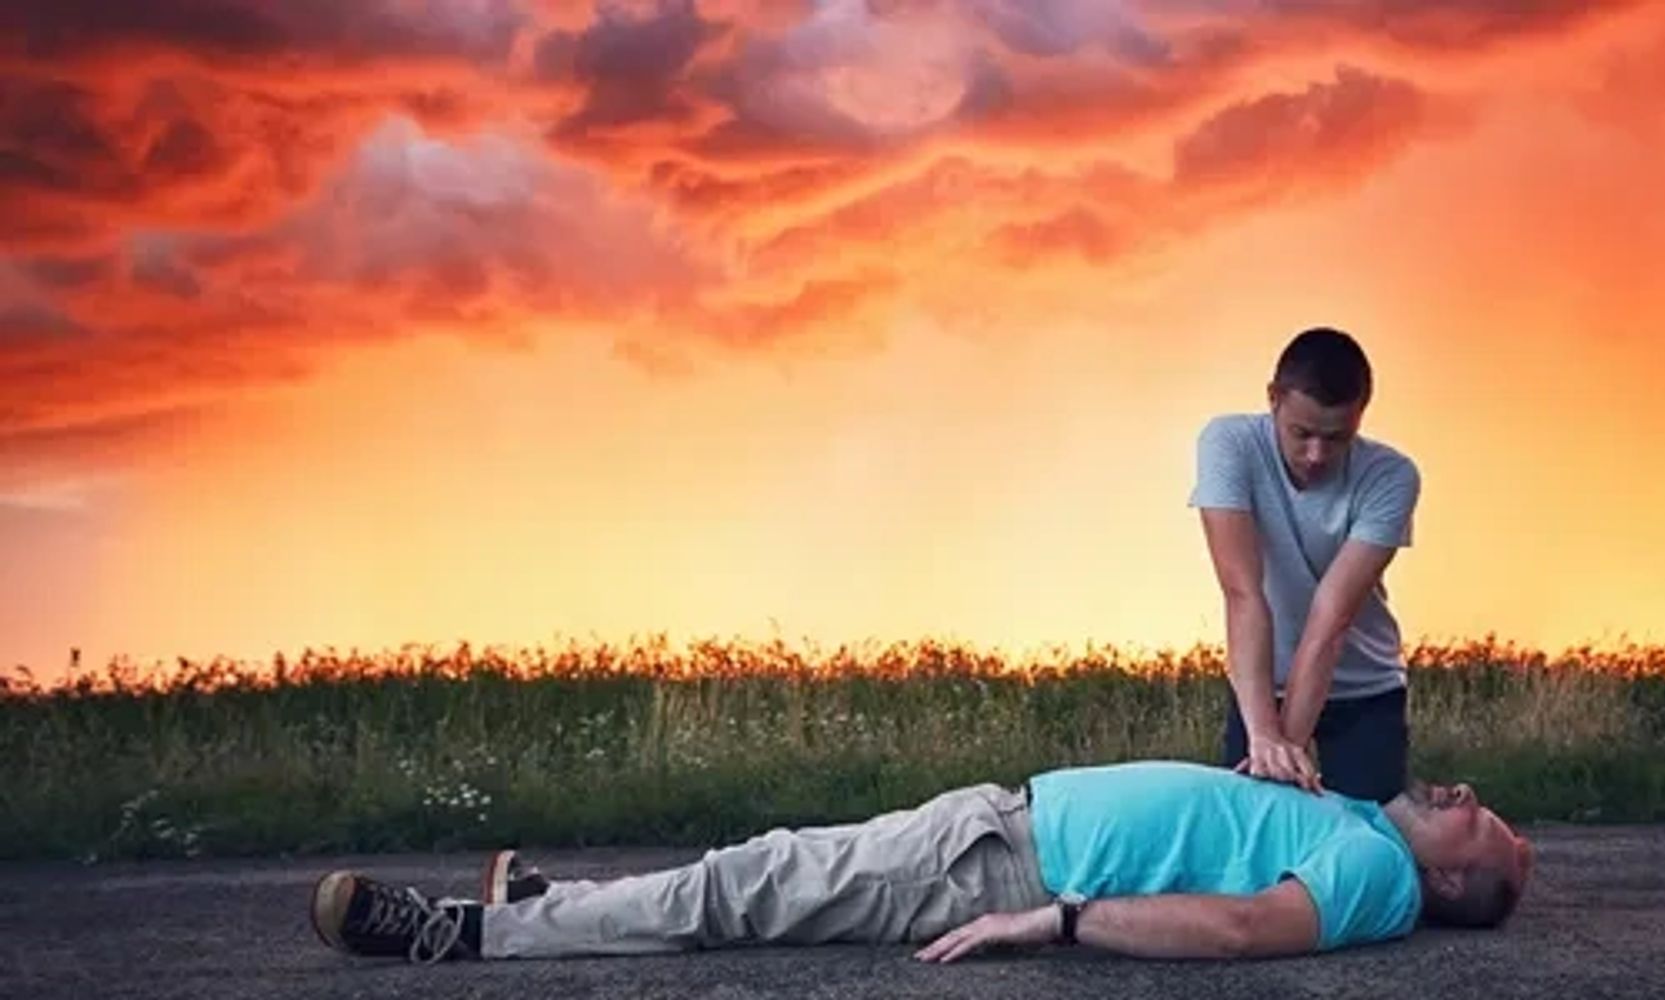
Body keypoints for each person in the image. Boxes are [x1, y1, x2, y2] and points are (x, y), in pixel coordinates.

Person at [310, 760, 1532, 965]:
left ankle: (463, 935)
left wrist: (1049, 921)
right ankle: (553, 906)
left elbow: (1237, 930)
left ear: (1452, 885)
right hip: (998, 827)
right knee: (758, 872)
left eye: (1490, 828)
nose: (1471, 797)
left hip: (1004, 867)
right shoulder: (1362, 832)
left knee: (745, 889)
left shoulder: (1374, 882)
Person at [1189, 327, 1422, 802]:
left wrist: (1287, 750)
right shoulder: (1228, 443)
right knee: (1249, 848)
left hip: (1364, 690)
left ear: (1361, 416)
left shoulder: (1391, 476)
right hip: (1261, 687)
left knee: (1371, 844)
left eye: (1336, 438)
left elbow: (1330, 620)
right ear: (1273, 399)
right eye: (1301, 433)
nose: (1316, 455)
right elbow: (1242, 592)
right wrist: (1264, 739)